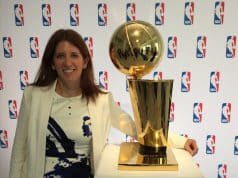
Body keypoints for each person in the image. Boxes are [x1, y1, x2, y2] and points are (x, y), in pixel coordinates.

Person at [9, 29, 198, 178]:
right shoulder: (33, 96)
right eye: (60, 56)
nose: (67, 62)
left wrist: (182, 141)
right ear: (52, 63)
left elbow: (136, 129)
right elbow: (19, 151)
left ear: (84, 61)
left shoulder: (101, 99)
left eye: (74, 55)